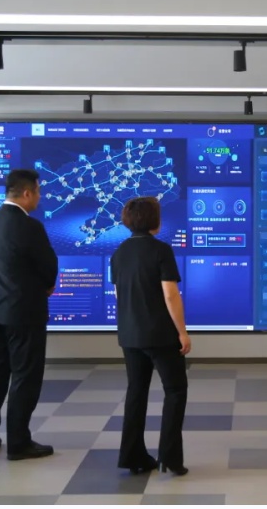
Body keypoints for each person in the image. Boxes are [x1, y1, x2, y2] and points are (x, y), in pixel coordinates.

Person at [0, 169, 58, 460]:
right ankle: (19, 443)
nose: (39, 197)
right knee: (25, 376)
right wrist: (46, 285)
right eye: (38, 191)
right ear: (26, 193)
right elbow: (48, 268)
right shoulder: (29, 226)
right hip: (24, 313)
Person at [110, 197, 191, 476]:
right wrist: (182, 332)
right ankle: (170, 457)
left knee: (136, 392)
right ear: (154, 220)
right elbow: (170, 295)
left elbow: (119, 294)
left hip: (130, 335)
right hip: (161, 335)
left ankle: (133, 456)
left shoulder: (119, 252)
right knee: (175, 390)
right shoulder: (161, 250)